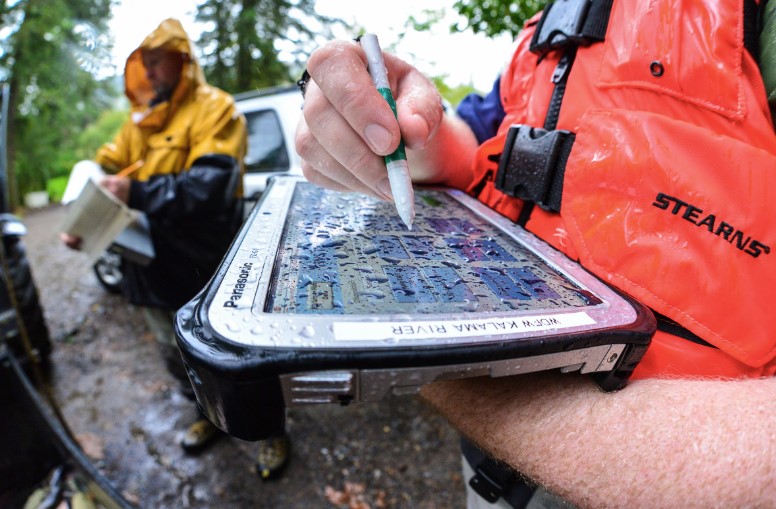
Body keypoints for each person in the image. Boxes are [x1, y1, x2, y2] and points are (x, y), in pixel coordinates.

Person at [294, 0, 776, 507]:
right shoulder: (540, 37)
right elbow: (472, 151)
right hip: (490, 473)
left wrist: (432, 359)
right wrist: (415, 137)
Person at [60, 18, 288, 478]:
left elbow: (210, 186)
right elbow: (105, 166)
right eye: (143, 64)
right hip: (147, 269)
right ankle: (209, 418)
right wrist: (81, 209)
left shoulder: (215, 109)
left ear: (181, 61)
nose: (149, 73)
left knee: (236, 356)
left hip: (205, 265)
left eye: (156, 61)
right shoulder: (136, 122)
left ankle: (270, 434)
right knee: (175, 353)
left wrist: (136, 192)